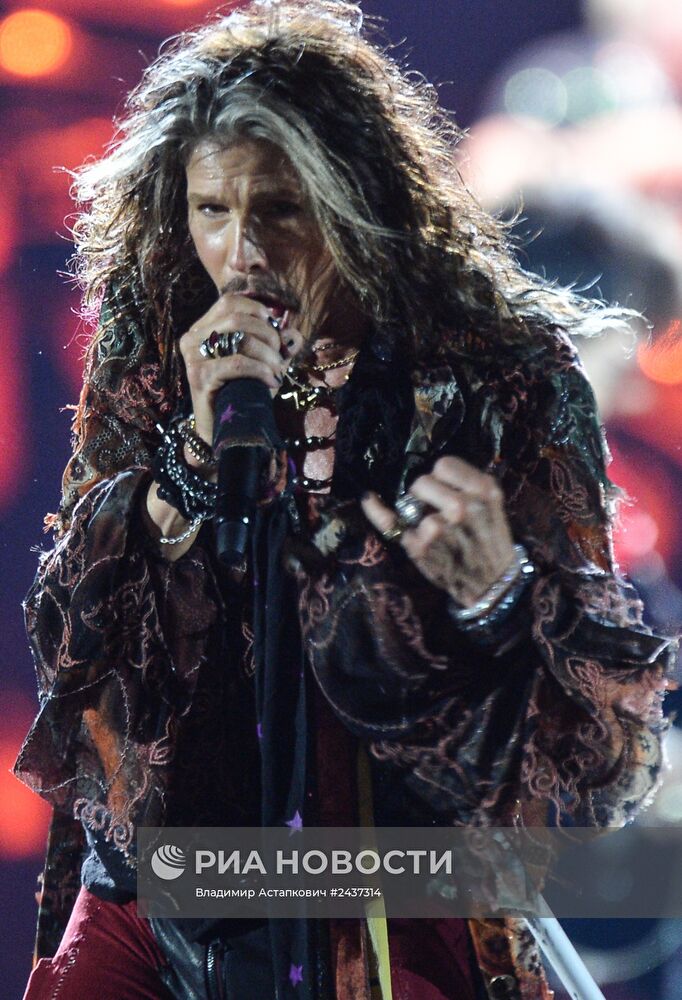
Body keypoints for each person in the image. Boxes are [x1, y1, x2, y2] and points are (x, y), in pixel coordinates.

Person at [13, 2, 675, 998]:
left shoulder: (497, 373)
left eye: (280, 210)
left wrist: (496, 593)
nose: (243, 252)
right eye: (211, 210)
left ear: (353, 201)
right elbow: (70, 649)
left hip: (392, 890)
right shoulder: (155, 347)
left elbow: (603, 753)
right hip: (173, 887)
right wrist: (190, 461)